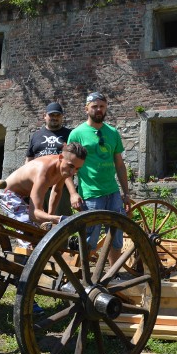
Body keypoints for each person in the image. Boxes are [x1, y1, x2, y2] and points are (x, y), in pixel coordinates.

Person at [0, 142, 87, 314]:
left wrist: (49, 221)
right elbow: (34, 214)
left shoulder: (63, 168)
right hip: (9, 195)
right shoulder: (44, 171)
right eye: (70, 166)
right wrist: (58, 218)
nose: (72, 172)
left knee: (38, 233)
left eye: (77, 169)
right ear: (61, 158)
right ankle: (25, 295)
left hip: (26, 196)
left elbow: (56, 192)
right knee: (28, 238)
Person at [66, 92, 132, 267]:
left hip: (112, 192)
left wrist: (125, 193)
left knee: (116, 237)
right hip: (91, 194)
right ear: (86, 108)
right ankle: (85, 279)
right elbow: (66, 168)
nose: (98, 109)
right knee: (89, 238)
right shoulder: (77, 134)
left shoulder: (112, 132)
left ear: (106, 108)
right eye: (94, 106)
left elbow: (119, 164)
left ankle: (113, 275)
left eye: (102, 106)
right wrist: (73, 193)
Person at [25, 102, 73, 216]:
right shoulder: (36, 135)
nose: (55, 118)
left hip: (61, 184)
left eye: (57, 115)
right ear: (44, 116)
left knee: (61, 219)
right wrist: (28, 182)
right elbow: (29, 160)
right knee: (39, 216)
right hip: (39, 184)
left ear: (62, 117)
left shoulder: (69, 134)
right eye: (52, 115)